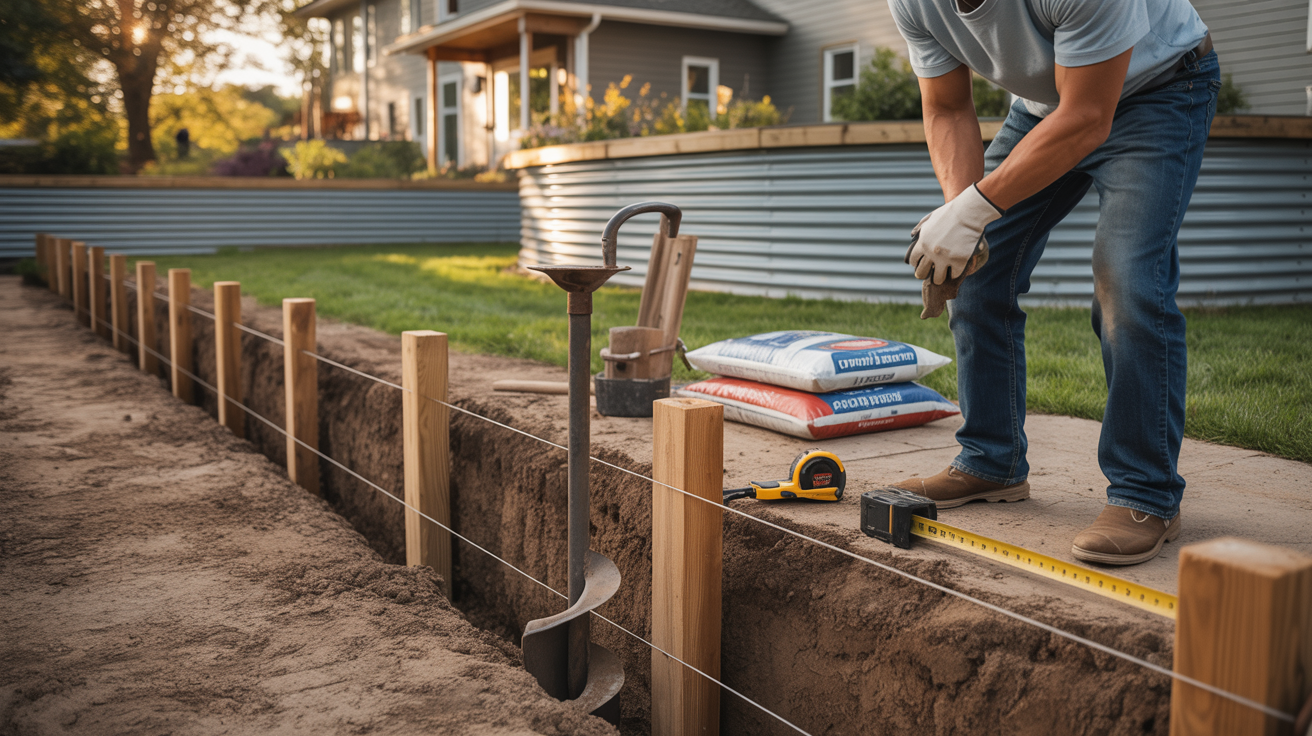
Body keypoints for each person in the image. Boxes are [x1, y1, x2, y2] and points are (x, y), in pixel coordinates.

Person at [886, 0, 1220, 565]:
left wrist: (972, 213)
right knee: (976, 274)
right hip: (1046, 107)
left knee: (1129, 281)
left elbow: (1089, 116)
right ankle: (991, 462)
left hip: (1161, 89)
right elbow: (946, 108)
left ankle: (1146, 493)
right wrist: (961, 223)